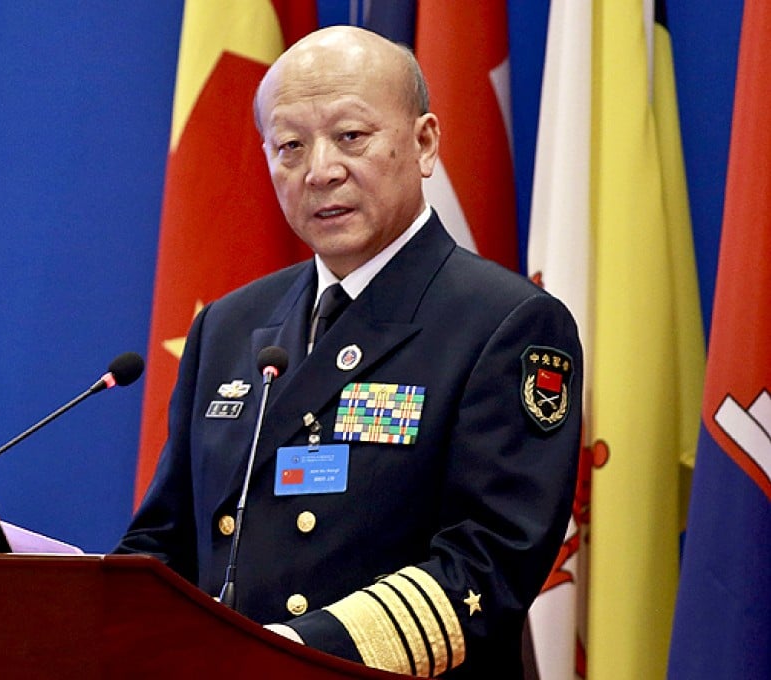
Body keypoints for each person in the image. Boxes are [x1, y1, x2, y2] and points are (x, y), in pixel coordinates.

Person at [116, 25, 581, 678]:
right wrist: (91, 614)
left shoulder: (508, 324)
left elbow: (489, 562)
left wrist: (292, 650)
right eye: (290, 146)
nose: (320, 170)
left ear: (423, 143)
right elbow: (166, 541)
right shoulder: (228, 324)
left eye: (351, 137)